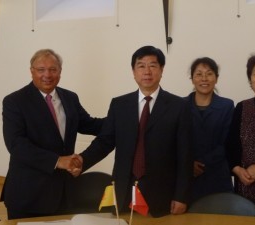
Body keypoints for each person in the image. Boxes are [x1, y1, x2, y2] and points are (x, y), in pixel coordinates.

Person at [71, 46, 193, 217]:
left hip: (162, 194)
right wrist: (82, 161)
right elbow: (104, 142)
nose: (147, 71)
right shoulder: (119, 105)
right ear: (133, 71)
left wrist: (181, 196)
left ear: (162, 69)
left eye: (153, 65)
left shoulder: (179, 106)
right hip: (124, 191)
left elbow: (185, 155)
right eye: (141, 66)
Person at [0, 49, 104, 219]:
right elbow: (16, 145)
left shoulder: (70, 97)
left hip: (64, 193)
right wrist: (57, 161)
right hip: (29, 194)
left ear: (60, 72)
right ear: (31, 71)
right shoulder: (14, 101)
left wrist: (120, 116)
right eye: (41, 69)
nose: (47, 74)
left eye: (53, 69)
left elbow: (90, 124)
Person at [185, 57, 234, 202]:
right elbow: (174, 142)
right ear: (192, 79)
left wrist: (202, 163)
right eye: (199, 74)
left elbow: (228, 142)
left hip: (217, 176)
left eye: (209, 73)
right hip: (187, 178)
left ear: (216, 78)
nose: (204, 79)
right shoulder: (180, 106)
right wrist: (189, 164)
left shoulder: (227, 106)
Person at [226, 55, 255, 206]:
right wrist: (237, 169)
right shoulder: (242, 107)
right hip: (246, 187)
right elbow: (231, 144)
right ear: (250, 79)